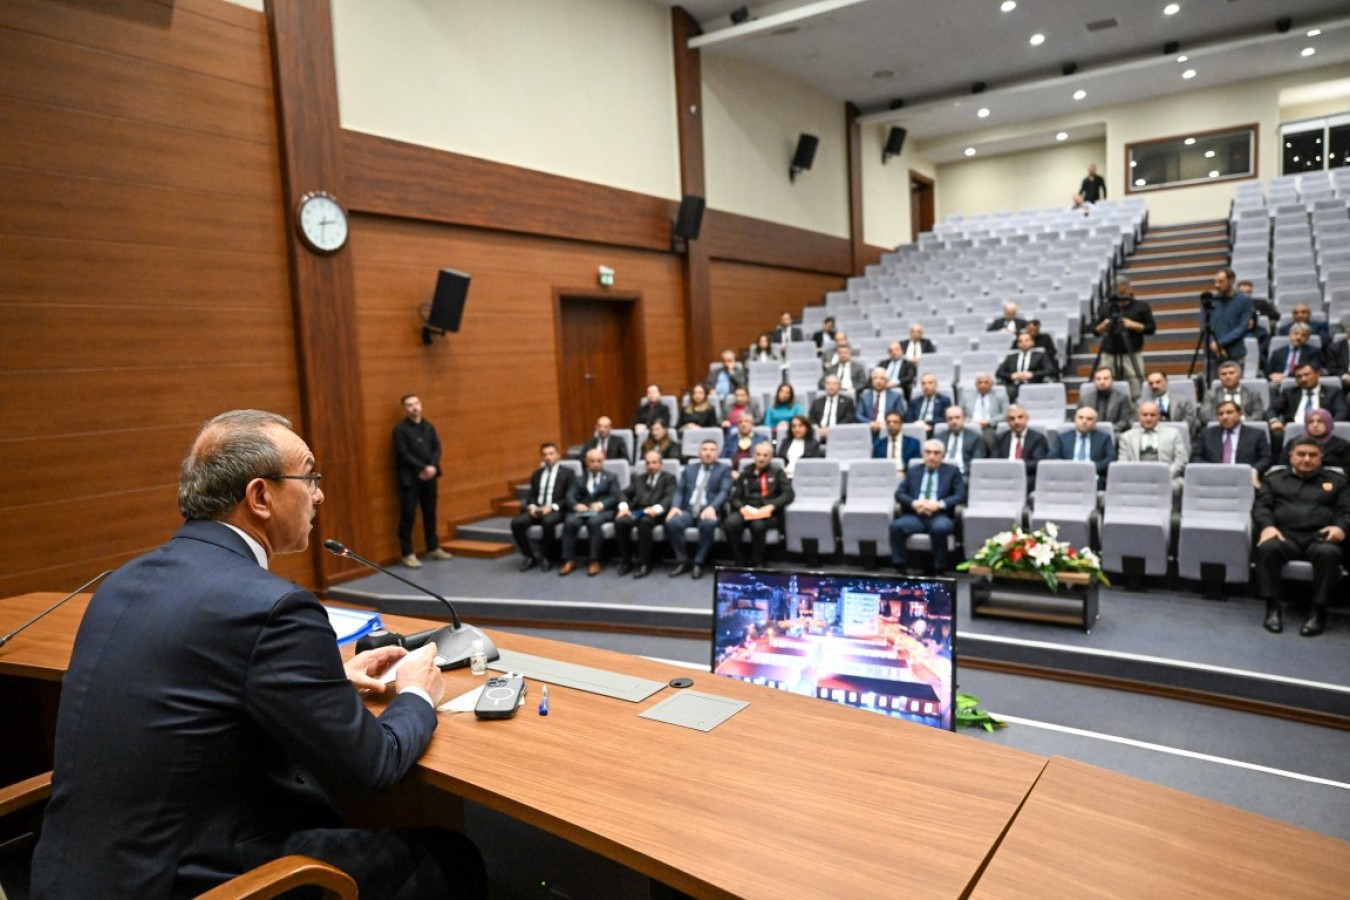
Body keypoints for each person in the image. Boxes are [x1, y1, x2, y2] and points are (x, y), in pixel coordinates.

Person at [32, 410, 485, 899]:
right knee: (450, 859)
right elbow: (371, 768)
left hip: (72, 874)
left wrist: (329, 678)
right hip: (188, 882)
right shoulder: (273, 606)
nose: (319, 493)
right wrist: (417, 693)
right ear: (260, 497)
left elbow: (201, 692)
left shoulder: (121, 583)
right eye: (310, 476)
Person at [1253, 436, 1350, 637]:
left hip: (1320, 537)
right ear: (1291, 456)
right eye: (1301, 454)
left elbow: (1346, 510)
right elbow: (1262, 507)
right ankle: (1272, 609)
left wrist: (1341, 528)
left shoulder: (1337, 481)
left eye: (1312, 455)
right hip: (1285, 536)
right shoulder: (1274, 479)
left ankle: (1318, 612)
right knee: (1267, 549)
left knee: (1329, 553)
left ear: (1321, 457)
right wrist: (1267, 526)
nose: (1306, 459)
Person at [392, 394, 453, 568]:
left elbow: (437, 448)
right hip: (411, 480)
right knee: (408, 516)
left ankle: (433, 547)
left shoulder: (428, 427)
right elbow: (403, 454)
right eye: (409, 405)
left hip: (430, 477)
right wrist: (422, 468)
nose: (414, 407)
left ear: (421, 405)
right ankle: (408, 553)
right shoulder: (400, 430)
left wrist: (432, 467)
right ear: (405, 409)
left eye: (416, 403)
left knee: (430, 513)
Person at [889, 440, 966, 575]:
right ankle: (900, 568)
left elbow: (960, 495)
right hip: (916, 514)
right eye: (928, 452)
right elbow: (899, 494)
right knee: (896, 526)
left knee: (940, 529)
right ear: (923, 454)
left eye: (936, 453)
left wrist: (939, 504)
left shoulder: (952, 471)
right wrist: (915, 503)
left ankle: (939, 568)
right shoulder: (913, 471)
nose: (932, 456)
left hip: (940, 514)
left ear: (943, 456)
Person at [665, 440, 733, 579]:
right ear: (699, 453)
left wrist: (712, 507)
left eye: (712, 450)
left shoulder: (724, 469)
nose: (708, 453)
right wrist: (675, 507)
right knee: (672, 522)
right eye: (705, 449)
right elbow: (680, 491)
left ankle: (699, 562)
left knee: (708, 524)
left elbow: (724, 491)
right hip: (689, 510)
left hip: (708, 509)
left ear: (717, 453)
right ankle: (682, 560)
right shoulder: (689, 469)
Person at [724, 442, 794, 568]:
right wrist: (741, 508)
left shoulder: (777, 473)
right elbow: (734, 497)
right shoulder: (745, 473)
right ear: (753, 455)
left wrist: (772, 505)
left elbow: (788, 494)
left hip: (767, 511)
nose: (761, 458)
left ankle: (757, 561)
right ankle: (739, 560)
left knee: (758, 526)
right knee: (730, 523)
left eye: (765, 455)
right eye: (758, 454)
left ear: (771, 457)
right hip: (747, 509)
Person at [512, 441, 577, 572]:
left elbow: (569, 497)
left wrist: (552, 507)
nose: (548, 457)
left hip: (556, 510)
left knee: (548, 521)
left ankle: (545, 557)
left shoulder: (568, 473)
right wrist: (532, 507)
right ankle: (529, 557)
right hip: (538, 509)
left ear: (558, 455)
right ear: (542, 457)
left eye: (551, 454)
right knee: (516, 523)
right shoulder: (537, 474)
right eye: (545, 454)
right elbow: (531, 496)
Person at [614, 450, 677, 578]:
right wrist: (624, 507)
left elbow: (669, 497)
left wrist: (657, 509)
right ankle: (627, 561)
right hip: (638, 511)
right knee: (620, 522)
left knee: (645, 522)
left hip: (657, 513)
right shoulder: (639, 479)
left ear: (661, 464)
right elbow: (623, 493)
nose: (651, 466)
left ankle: (645, 563)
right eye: (648, 463)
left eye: (654, 463)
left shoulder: (669, 478)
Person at [559, 448, 621, 576]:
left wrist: (601, 504)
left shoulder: (611, 477)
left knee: (594, 522)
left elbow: (615, 497)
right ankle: (569, 560)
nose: (595, 464)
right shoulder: (579, 479)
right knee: (570, 521)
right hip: (584, 510)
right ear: (587, 462)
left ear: (603, 462)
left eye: (598, 461)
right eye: (592, 461)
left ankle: (594, 560)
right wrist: (576, 505)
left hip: (603, 511)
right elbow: (570, 495)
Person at [1092, 279, 1156, 397]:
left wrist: (1133, 325)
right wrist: (1104, 325)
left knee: (1135, 383)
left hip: (1131, 352)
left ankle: (1136, 407)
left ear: (1130, 290)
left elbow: (1151, 329)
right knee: (1104, 382)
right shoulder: (1107, 307)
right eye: (1119, 293)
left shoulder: (1141, 306)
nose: (1121, 297)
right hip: (1109, 352)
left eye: (1124, 293)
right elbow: (1095, 331)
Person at [1191, 400, 1272, 485]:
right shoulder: (1207, 434)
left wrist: (1254, 469)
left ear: (1240, 414)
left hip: (1244, 479)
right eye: (1220, 414)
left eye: (1229, 412)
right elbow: (1195, 457)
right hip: (1213, 479)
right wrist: (1214, 469)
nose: (1225, 417)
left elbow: (1266, 458)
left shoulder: (1256, 434)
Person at [1117, 401, 1187, 496]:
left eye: (1152, 415)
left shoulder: (1173, 434)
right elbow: (1123, 462)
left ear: (1159, 417)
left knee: (1177, 485)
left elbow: (1181, 460)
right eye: (1144, 415)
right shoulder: (1127, 437)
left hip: (1167, 477)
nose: (1148, 418)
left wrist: (1165, 474)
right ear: (1139, 416)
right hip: (1137, 478)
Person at [1268, 364, 1349, 439]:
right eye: (1299, 376)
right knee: (1277, 435)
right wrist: (1274, 421)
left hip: (1323, 429)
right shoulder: (1289, 393)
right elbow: (1272, 409)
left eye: (1307, 375)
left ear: (1317, 374)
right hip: (1294, 429)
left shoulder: (1333, 392)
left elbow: (1342, 411)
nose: (1303, 379)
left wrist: (1328, 425)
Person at [1048, 406, 1116, 486]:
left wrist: (1090, 469)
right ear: (1075, 419)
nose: (1084, 421)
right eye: (1080, 418)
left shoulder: (1104, 438)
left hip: (1093, 475)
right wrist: (1070, 469)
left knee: (1097, 481)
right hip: (1068, 475)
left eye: (1089, 419)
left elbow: (1111, 458)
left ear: (1095, 423)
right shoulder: (1063, 437)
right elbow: (1052, 457)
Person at [1277, 408, 1350, 471]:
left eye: (1320, 421)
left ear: (1328, 423)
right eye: (1311, 422)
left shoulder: (1342, 445)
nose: (1315, 425)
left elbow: (1347, 470)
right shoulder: (1294, 442)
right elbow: (1283, 466)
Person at [1208, 268, 1254, 365]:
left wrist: (1219, 343)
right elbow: (1205, 326)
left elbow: (1242, 327)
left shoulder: (1245, 301)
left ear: (1231, 280)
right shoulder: (1209, 300)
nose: (1216, 285)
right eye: (1215, 282)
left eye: (1220, 282)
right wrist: (1214, 345)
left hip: (1235, 352)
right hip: (1213, 353)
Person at [994, 405, 1050, 485]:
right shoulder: (1000, 438)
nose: (1016, 421)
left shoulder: (1038, 438)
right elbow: (994, 461)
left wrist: (1015, 468)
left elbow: (1038, 462)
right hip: (1003, 475)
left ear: (1027, 419)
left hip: (1027, 475)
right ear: (1008, 422)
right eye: (1012, 419)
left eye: (1020, 417)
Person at [1200, 360, 1265, 424]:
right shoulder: (1211, 394)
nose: (1228, 377)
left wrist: (1239, 422)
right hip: (1219, 429)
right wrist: (1225, 422)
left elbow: (1258, 415)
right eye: (1223, 374)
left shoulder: (1252, 394)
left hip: (1246, 429)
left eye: (1231, 373)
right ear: (1219, 377)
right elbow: (1205, 416)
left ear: (1240, 375)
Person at [996, 331, 1054, 401]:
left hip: (1033, 384)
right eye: (1020, 341)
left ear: (1032, 342)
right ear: (1017, 344)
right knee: (1005, 394)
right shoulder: (1011, 357)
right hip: (1014, 385)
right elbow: (999, 373)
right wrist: (1011, 376)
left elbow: (1050, 370)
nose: (1023, 343)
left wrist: (1033, 374)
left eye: (1027, 340)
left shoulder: (1040, 355)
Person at [961, 372, 1009, 451]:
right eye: (980, 382)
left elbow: (1006, 414)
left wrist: (989, 422)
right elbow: (960, 413)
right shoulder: (966, 397)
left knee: (988, 440)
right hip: (970, 425)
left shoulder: (1001, 396)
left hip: (989, 426)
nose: (983, 385)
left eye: (986, 382)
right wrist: (970, 421)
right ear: (976, 384)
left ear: (992, 384)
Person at [935, 406, 986, 477]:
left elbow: (977, 462)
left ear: (964, 419)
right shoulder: (939, 437)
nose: (954, 421)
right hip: (941, 474)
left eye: (957, 417)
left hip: (964, 475)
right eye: (950, 418)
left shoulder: (975, 438)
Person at [1142, 371, 1197, 436]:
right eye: (1151, 383)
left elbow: (1189, 421)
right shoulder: (1141, 403)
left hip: (1177, 437)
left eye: (1158, 382)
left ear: (1166, 381)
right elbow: (1137, 424)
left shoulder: (1182, 400)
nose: (1154, 386)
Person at [1081, 367, 1134, 434]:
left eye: (1105, 378)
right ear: (1094, 381)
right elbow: (1078, 419)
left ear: (1112, 380)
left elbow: (1125, 422)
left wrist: (1107, 429)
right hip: (1089, 432)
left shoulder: (1122, 398)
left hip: (1113, 433)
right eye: (1098, 379)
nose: (1102, 382)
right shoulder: (1085, 399)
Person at [1241, 278, 1280, 368]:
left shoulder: (1261, 303)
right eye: (1242, 293)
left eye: (1248, 292)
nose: (1246, 295)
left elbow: (1276, 316)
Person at [856, 367, 906, 435]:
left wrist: (887, 422)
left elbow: (900, 414)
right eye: (875, 378)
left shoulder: (896, 396)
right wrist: (871, 423)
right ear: (872, 381)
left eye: (882, 378)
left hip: (889, 429)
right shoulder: (864, 396)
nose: (878, 381)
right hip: (869, 430)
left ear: (887, 381)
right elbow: (859, 415)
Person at [808, 375, 856, 443]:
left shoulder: (848, 401)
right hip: (819, 434)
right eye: (828, 384)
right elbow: (811, 419)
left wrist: (832, 430)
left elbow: (849, 419)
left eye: (834, 384)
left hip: (839, 433)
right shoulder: (817, 402)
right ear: (825, 386)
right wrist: (819, 430)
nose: (831, 387)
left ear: (839, 386)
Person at [905, 372, 951, 437]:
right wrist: (917, 424)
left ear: (936, 385)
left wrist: (926, 423)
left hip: (934, 429)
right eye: (923, 384)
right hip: (916, 429)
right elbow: (908, 418)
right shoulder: (914, 401)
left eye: (930, 383)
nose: (926, 386)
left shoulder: (944, 400)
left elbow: (945, 418)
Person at [1323, 317, 1350, 389]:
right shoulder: (1334, 348)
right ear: (1346, 329)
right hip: (1345, 382)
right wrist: (1344, 376)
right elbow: (1331, 368)